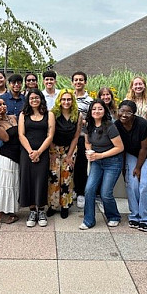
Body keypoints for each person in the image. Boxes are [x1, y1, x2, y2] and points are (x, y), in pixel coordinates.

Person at [116, 100, 147, 232]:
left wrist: (138, 168)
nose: (124, 114)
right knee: (132, 183)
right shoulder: (117, 125)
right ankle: (135, 215)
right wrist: (125, 168)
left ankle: (146, 218)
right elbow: (122, 148)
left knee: (145, 184)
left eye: (128, 112)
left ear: (134, 113)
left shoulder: (142, 124)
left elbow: (145, 148)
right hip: (132, 153)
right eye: (122, 111)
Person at [79, 99, 124, 230]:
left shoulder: (110, 126)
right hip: (96, 162)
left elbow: (119, 147)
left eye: (100, 108)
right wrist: (89, 151)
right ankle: (88, 220)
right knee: (89, 189)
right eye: (94, 109)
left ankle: (114, 216)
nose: (96, 111)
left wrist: (100, 155)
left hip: (113, 162)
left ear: (104, 111)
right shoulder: (89, 125)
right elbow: (87, 142)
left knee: (105, 192)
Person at [18, 89, 55, 227]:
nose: (34, 100)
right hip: (26, 152)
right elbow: (21, 134)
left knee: (41, 180)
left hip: (43, 151)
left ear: (41, 99)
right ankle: (32, 210)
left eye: (37, 97)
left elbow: (50, 135)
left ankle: (41, 210)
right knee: (27, 180)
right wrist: (30, 152)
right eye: (31, 98)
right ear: (28, 100)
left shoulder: (49, 114)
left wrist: (38, 152)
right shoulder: (23, 114)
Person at [47, 89, 82, 219]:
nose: (66, 102)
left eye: (69, 99)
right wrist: (52, 151)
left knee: (67, 177)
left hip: (70, 149)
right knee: (54, 176)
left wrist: (69, 155)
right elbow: (49, 134)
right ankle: (53, 205)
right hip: (54, 148)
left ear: (72, 101)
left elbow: (76, 136)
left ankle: (65, 205)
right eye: (63, 99)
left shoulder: (77, 115)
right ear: (59, 100)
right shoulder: (53, 114)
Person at [0, 97, 20, 224]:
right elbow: (6, 138)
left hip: (17, 156)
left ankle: (10, 211)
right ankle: (0, 214)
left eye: (4, 104)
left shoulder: (13, 117)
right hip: (5, 157)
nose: (3, 106)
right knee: (4, 185)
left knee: (12, 185)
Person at [71, 71, 93, 208]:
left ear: (85, 82)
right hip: (67, 137)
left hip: (81, 137)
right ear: (72, 82)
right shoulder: (67, 97)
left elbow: (92, 120)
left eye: (81, 80)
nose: (78, 82)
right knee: (68, 164)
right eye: (76, 80)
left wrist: (83, 121)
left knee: (81, 165)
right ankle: (71, 189)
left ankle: (80, 193)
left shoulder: (89, 101)